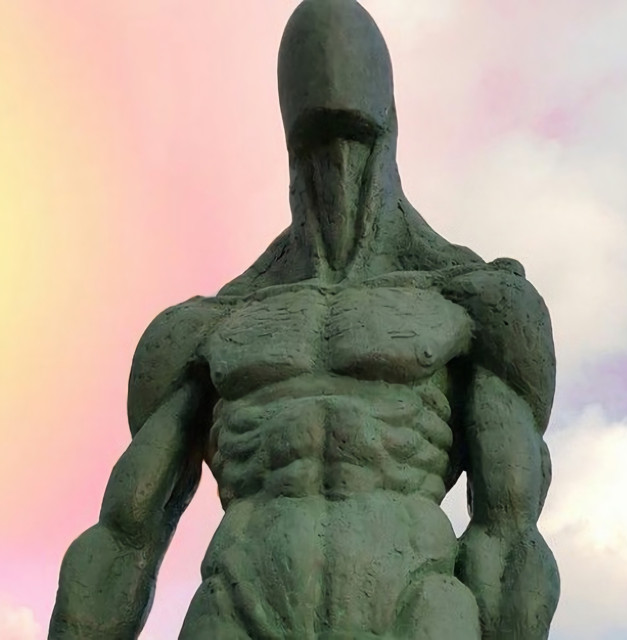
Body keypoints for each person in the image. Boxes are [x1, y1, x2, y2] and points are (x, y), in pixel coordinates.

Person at [50, 1, 559, 638]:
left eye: (354, 132)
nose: (335, 153)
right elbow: (125, 534)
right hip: (237, 607)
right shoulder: (205, 329)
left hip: (413, 608)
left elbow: (510, 532)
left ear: (389, 118)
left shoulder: (473, 304)